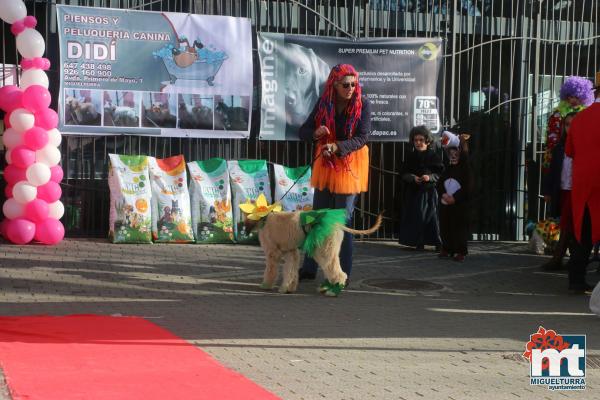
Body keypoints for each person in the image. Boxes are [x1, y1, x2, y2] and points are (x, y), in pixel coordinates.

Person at [297, 64, 371, 296]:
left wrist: (338, 146)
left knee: (341, 220)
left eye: (353, 84)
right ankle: (309, 268)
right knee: (317, 217)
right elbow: (304, 131)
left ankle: (342, 273)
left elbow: (362, 137)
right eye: (345, 84)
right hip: (326, 164)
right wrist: (315, 134)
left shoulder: (363, 104)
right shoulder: (323, 103)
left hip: (349, 164)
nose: (350, 88)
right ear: (334, 85)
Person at [564, 73, 600, 294]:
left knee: (583, 235)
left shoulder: (578, 119)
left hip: (583, 184)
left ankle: (576, 281)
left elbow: (569, 151)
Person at [540, 112, 578, 270]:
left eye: (573, 124)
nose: (570, 128)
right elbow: (552, 172)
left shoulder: (583, 146)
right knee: (568, 225)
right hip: (562, 190)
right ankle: (570, 260)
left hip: (575, 192)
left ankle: (558, 258)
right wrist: (547, 192)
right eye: (567, 125)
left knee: (569, 225)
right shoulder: (559, 148)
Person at [397, 126, 444, 250]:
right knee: (416, 217)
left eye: (421, 140)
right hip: (414, 193)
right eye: (415, 140)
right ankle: (419, 242)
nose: (418, 143)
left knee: (432, 218)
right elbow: (402, 173)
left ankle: (437, 243)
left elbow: (440, 174)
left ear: (427, 140)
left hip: (429, 193)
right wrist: (412, 177)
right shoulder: (410, 156)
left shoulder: (434, 156)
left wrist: (429, 177)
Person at [437, 131, 472, 262]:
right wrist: (443, 194)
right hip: (446, 204)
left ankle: (461, 251)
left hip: (460, 205)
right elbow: (440, 184)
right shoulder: (448, 168)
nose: (453, 155)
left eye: (456, 152)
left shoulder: (466, 169)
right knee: (445, 225)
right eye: (451, 152)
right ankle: (447, 248)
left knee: (459, 228)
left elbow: (468, 187)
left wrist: (455, 198)